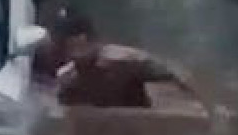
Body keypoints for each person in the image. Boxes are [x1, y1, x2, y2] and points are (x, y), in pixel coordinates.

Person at [50, 10, 218, 117]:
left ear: (89, 41)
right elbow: (68, 116)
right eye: (67, 47)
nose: (73, 53)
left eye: (77, 46)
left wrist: (212, 111)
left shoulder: (124, 61)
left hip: (140, 121)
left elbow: (178, 73)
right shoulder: (69, 80)